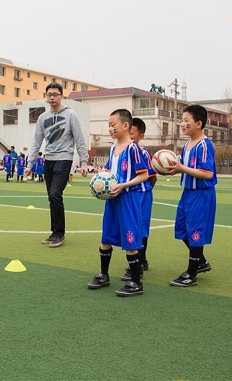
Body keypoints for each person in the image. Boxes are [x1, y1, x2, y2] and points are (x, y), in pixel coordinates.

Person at [87, 109, 149, 296]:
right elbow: (108, 170)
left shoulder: (133, 149)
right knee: (106, 238)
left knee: (130, 242)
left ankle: (136, 282)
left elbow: (144, 174)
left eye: (113, 125)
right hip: (112, 200)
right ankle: (103, 274)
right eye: (109, 126)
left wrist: (123, 185)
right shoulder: (113, 149)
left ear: (125, 126)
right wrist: (97, 176)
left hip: (128, 199)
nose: (110, 128)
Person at [25, 83, 89, 248]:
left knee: (55, 194)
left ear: (62, 96)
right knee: (51, 197)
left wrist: (83, 162)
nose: (52, 97)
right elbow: (36, 141)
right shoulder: (42, 118)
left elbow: (79, 139)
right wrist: (30, 163)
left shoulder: (70, 115)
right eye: (49, 95)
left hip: (64, 159)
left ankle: (60, 233)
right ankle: (54, 232)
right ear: (45, 96)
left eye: (55, 94)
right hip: (49, 160)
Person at [165, 105, 217, 287]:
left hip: (201, 194)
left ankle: (191, 274)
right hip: (187, 193)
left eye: (186, 121)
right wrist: (173, 168)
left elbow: (208, 174)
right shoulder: (187, 144)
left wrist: (182, 169)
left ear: (199, 124)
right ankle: (201, 261)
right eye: (182, 120)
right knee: (182, 229)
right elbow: (185, 167)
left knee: (195, 231)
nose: (182, 124)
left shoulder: (204, 145)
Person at [121, 117, 156, 281]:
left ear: (140, 135)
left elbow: (152, 176)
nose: (129, 136)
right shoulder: (122, 150)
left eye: (132, 133)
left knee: (141, 227)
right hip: (130, 195)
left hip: (142, 195)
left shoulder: (143, 153)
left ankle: (141, 261)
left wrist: (146, 190)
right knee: (134, 226)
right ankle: (141, 260)